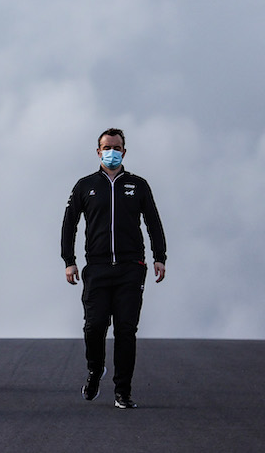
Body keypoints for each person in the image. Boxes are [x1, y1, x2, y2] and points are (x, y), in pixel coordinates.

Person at [60, 128, 167, 409]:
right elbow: (69, 223)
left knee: (125, 330)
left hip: (131, 268)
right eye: (106, 147)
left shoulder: (138, 185)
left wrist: (160, 256)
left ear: (124, 151)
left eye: (117, 147)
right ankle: (95, 370)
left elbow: (153, 221)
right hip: (96, 267)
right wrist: (69, 261)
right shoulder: (85, 186)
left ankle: (123, 391)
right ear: (98, 151)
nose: (112, 152)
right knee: (94, 327)